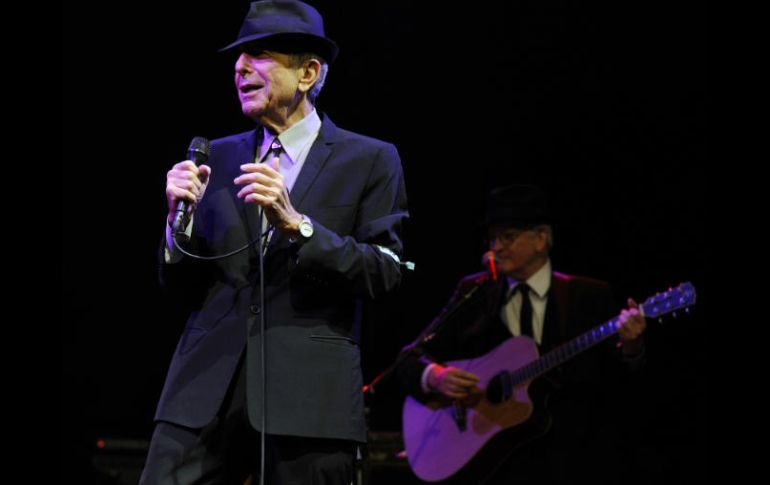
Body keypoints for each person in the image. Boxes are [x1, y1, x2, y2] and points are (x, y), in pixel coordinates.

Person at [140, 1, 408, 483]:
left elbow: (384, 271)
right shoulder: (216, 158)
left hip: (307, 400)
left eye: (259, 54)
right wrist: (173, 224)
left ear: (307, 73)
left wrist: (297, 224)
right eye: (238, 56)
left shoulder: (370, 159)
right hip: (203, 391)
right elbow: (181, 288)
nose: (240, 67)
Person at [394, 184, 645, 485]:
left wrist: (631, 347)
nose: (495, 248)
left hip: (572, 459)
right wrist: (435, 376)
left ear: (540, 239)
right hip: (492, 466)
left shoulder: (586, 295)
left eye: (507, 237)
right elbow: (409, 358)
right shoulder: (476, 293)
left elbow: (619, 381)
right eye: (492, 239)